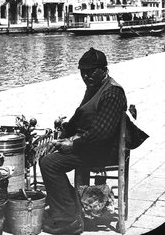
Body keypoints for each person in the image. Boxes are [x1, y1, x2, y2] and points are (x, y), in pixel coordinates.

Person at [39, 47, 127, 234]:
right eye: (82, 72)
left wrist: (72, 145)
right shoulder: (94, 88)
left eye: (90, 72)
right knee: (48, 156)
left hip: (101, 151)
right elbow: (77, 119)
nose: (86, 77)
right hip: (88, 145)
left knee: (49, 164)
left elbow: (101, 134)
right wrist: (59, 140)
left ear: (104, 70)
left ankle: (68, 220)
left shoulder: (112, 93)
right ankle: (70, 206)